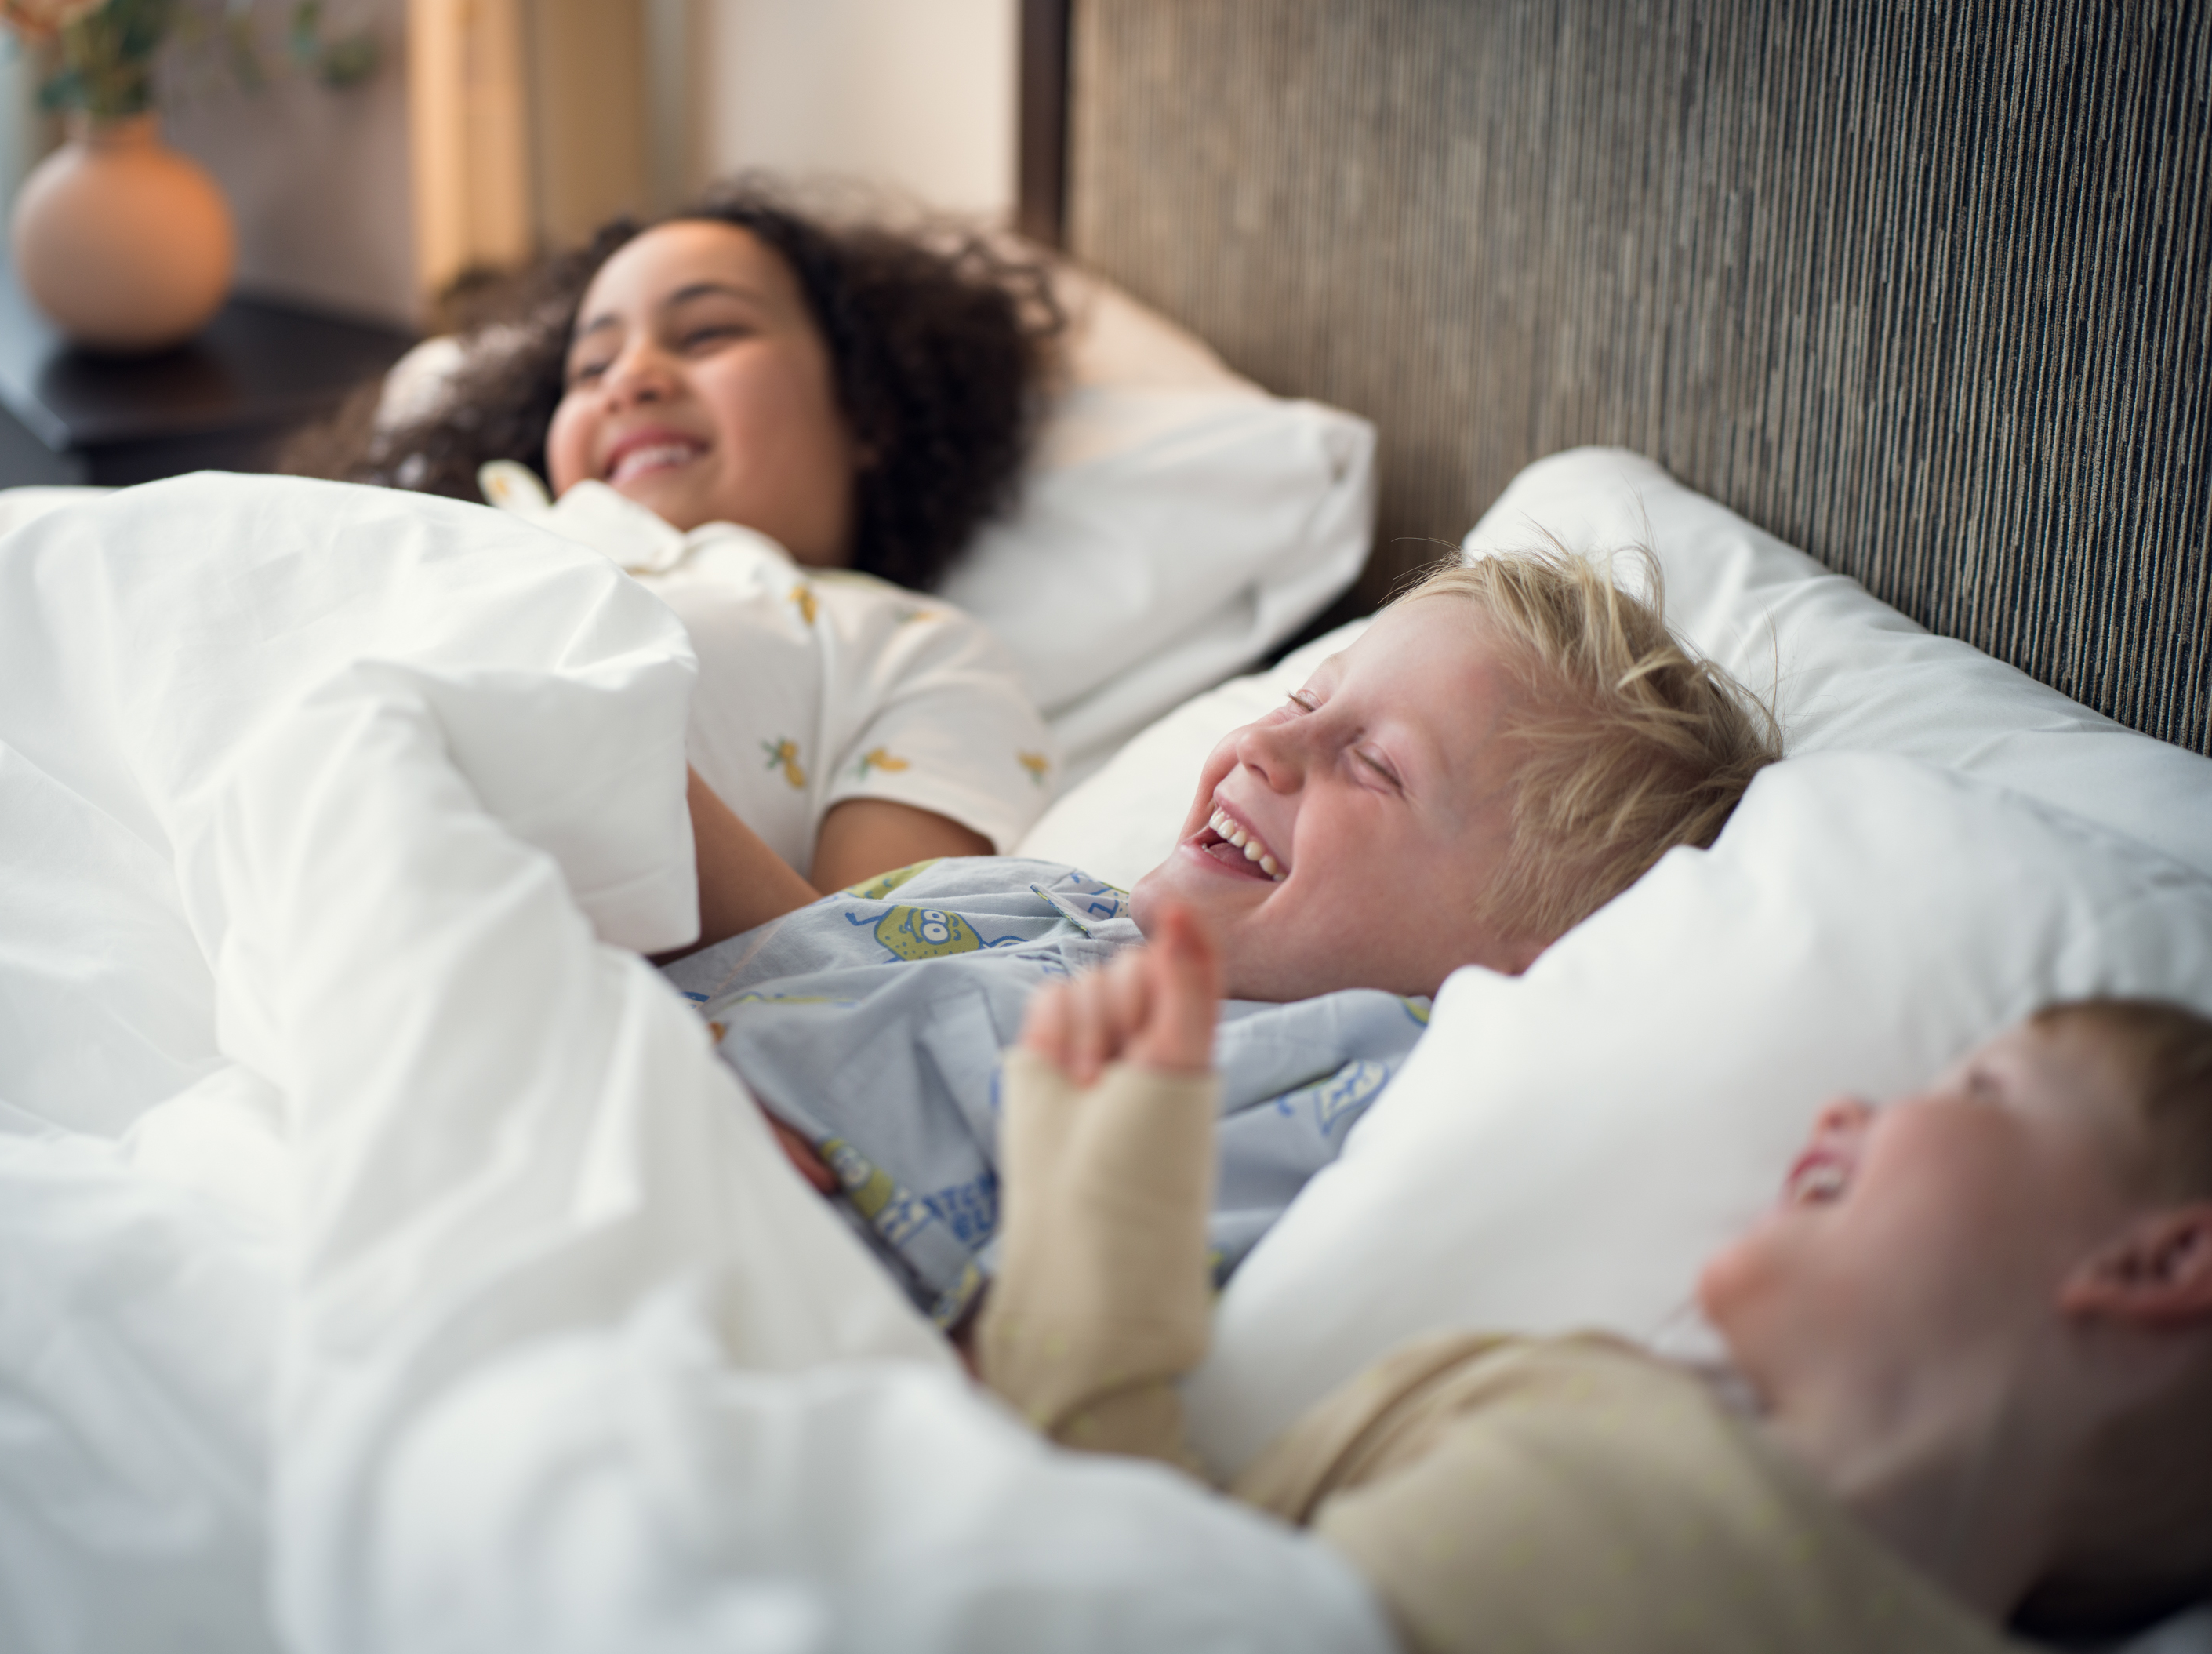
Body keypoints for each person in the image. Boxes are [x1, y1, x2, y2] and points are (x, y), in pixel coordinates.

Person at [980, 912, 2212, 1652]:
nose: (1845, 1105)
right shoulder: (1542, 1389)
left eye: (1977, 1091)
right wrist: (1100, 1206)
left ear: (2162, 1261)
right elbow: (1123, 1553)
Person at [664, 543, 1782, 1327]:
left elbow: (1041, 1363)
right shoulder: (1045, 899)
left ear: (1519, 958)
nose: (1265, 747)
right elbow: (794, 951)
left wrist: (740, 1191)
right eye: (1304, 702)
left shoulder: (1340, 1086)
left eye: (1378, 766)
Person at [289, 182, 1066, 891]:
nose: (630, 378)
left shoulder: (916, 650)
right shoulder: (469, 535)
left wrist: (600, 773)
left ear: (868, 411)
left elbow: (860, 984)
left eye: (707, 333)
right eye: (591, 367)